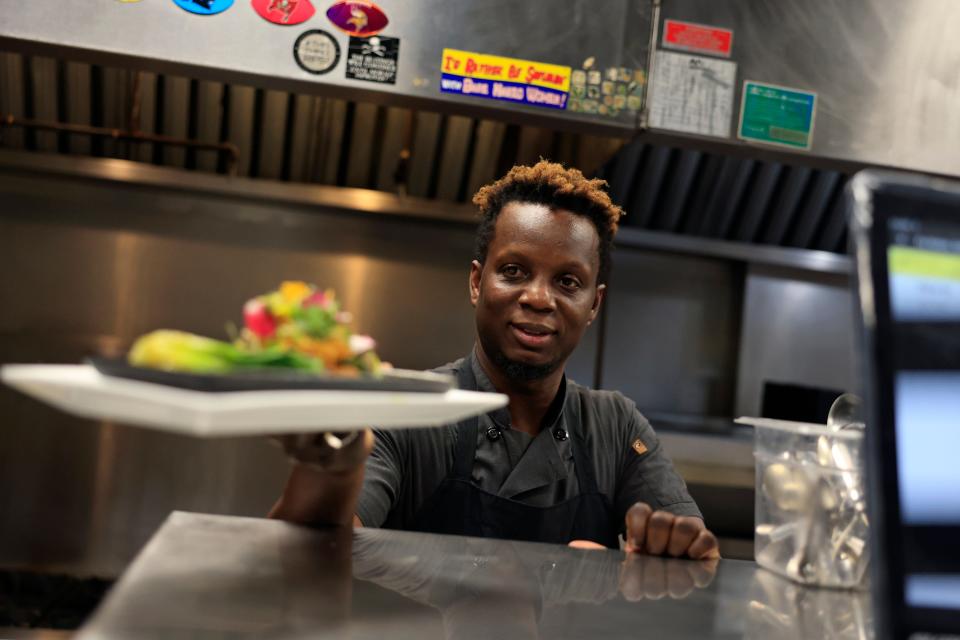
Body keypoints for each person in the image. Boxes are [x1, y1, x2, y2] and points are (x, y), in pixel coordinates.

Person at [269, 160, 720, 559]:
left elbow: (698, 556)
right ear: (475, 281)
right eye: (513, 271)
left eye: (567, 281)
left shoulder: (616, 427)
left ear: (594, 304)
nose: (540, 298)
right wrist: (327, 466)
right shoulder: (407, 412)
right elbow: (317, 551)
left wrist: (661, 562)